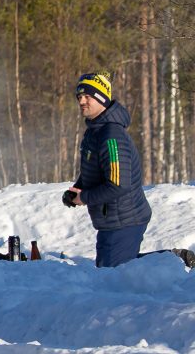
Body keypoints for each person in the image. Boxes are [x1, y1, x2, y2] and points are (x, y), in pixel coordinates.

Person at [64, 73, 151, 267]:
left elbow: (119, 184)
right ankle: (171, 259)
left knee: (113, 274)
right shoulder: (95, 132)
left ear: (102, 98)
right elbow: (96, 170)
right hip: (110, 218)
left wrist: (85, 197)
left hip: (125, 219)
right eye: (79, 97)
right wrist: (77, 189)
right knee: (112, 270)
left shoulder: (111, 135)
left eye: (87, 96)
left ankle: (175, 259)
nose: (82, 101)